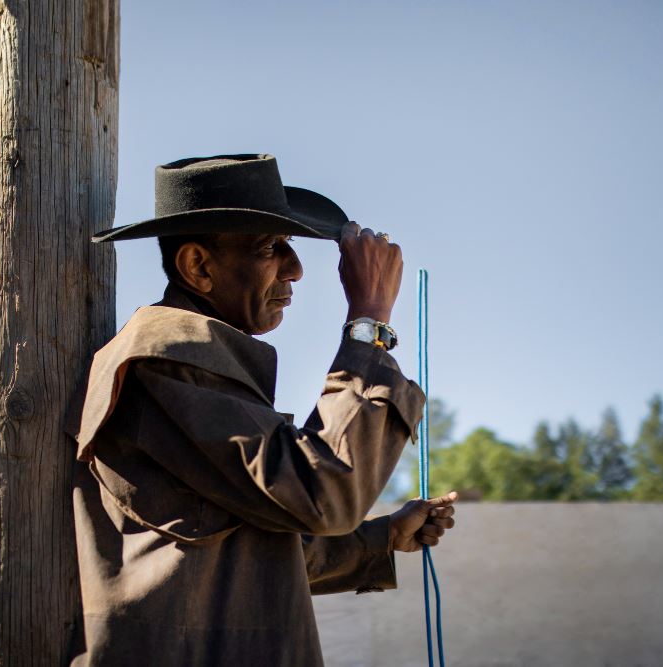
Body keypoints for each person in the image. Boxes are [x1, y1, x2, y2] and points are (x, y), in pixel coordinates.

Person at [68, 154, 458, 666]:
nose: (295, 268)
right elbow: (326, 492)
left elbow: (253, 546)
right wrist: (369, 322)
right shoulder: (168, 354)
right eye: (271, 247)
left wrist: (382, 539)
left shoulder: (191, 360)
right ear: (198, 267)